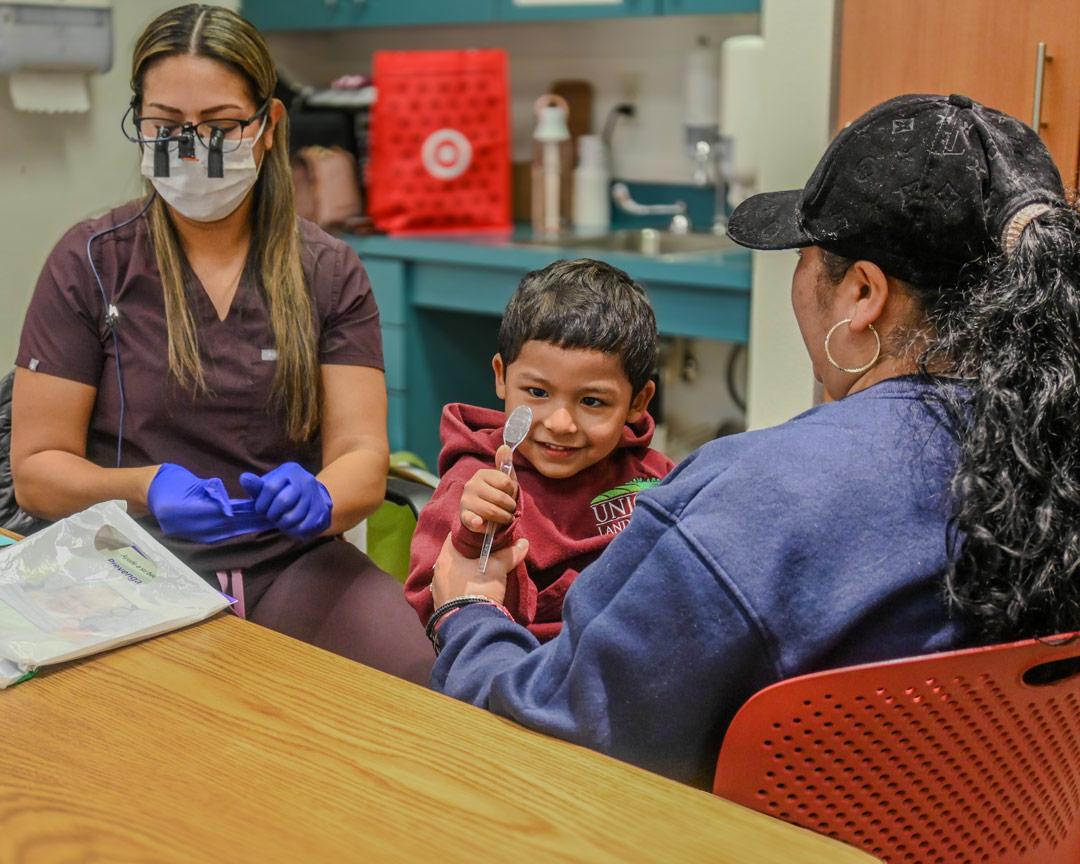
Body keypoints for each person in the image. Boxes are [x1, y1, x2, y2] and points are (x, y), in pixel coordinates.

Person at [422, 93, 1080, 786]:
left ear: (862, 294)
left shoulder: (754, 503)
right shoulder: (1051, 457)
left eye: (806, 256)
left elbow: (558, 730)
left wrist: (469, 616)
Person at [10, 4, 433, 684]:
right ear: (139, 123)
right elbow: (36, 469)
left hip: (289, 559)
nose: (192, 148)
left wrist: (322, 499)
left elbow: (362, 455)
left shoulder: (327, 271)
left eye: (220, 125)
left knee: (409, 671)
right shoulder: (91, 262)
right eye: (167, 126)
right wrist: (143, 487)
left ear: (267, 128)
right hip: (132, 557)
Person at [404, 259, 674, 641]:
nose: (560, 423)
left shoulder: (655, 477)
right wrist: (475, 539)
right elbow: (434, 614)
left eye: (593, 402)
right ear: (501, 376)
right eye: (537, 393)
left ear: (638, 401)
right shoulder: (475, 490)